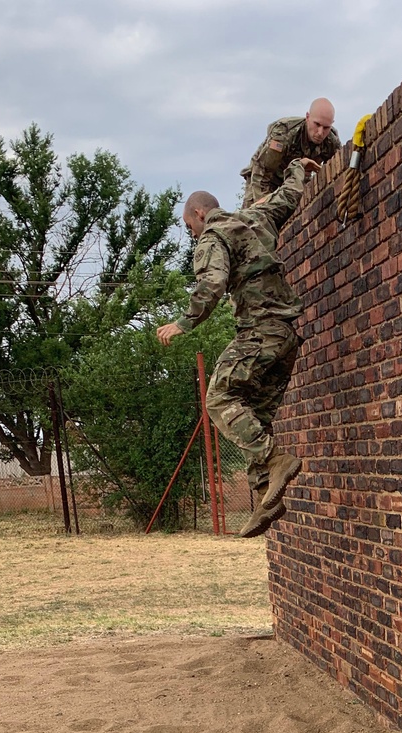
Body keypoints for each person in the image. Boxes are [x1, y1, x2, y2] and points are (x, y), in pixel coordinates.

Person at [157, 157, 319, 538]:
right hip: (287, 339)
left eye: (188, 227)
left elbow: (213, 283)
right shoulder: (256, 218)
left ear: (199, 214)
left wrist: (184, 322)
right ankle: (267, 494)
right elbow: (288, 197)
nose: (192, 235)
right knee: (253, 417)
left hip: (260, 333)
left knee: (218, 399)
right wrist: (298, 168)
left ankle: (275, 461)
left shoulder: (214, 236)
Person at [240, 98, 340, 208]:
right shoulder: (284, 133)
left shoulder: (331, 141)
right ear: (307, 117)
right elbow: (262, 172)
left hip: (295, 181)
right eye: (317, 124)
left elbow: (338, 170)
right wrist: (262, 208)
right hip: (265, 178)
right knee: (254, 219)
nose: (320, 132)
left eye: (326, 127)